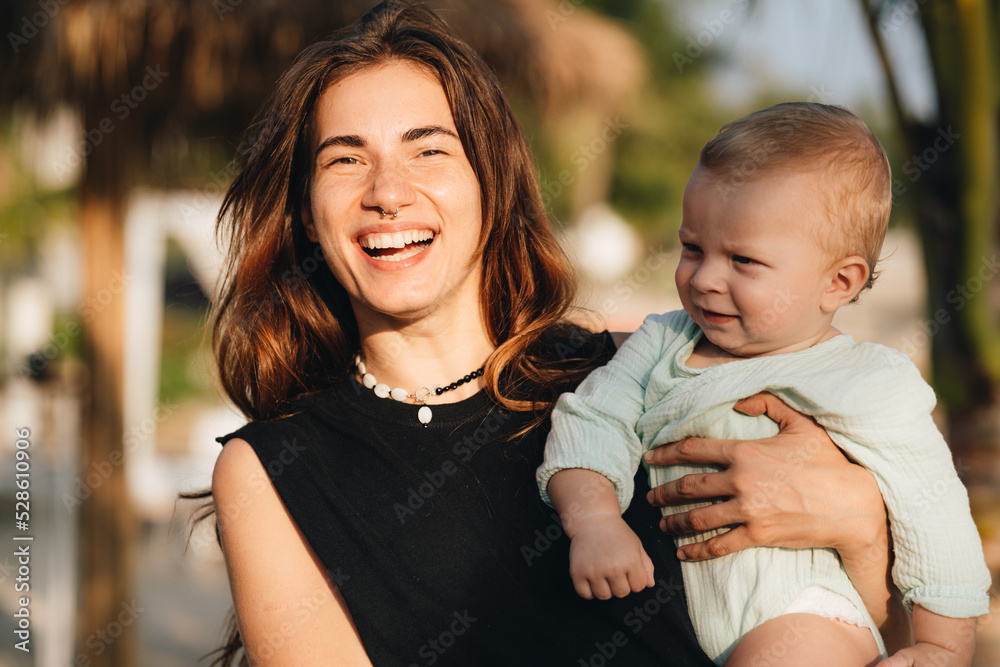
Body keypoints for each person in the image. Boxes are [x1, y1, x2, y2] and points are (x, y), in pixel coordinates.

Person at [207, 3, 909, 665]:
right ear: (305, 212)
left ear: (492, 184)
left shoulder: (644, 377)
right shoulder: (276, 472)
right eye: (345, 158)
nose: (387, 191)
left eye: (428, 151)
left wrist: (863, 531)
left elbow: (864, 626)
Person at [537, 102, 991, 666]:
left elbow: (933, 509)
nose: (704, 279)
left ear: (838, 281)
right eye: (692, 248)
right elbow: (591, 419)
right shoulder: (663, 343)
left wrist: (943, 646)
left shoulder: (867, 381)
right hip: (694, 624)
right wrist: (594, 519)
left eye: (744, 260)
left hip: (806, 614)